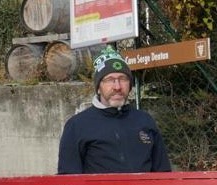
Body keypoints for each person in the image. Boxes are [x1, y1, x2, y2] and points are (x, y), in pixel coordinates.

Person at [57, 45, 172, 174]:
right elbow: (68, 180)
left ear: (129, 84)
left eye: (123, 79)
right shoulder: (77, 126)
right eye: (109, 80)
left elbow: (163, 173)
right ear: (98, 87)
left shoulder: (144, 120)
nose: (117, 86)